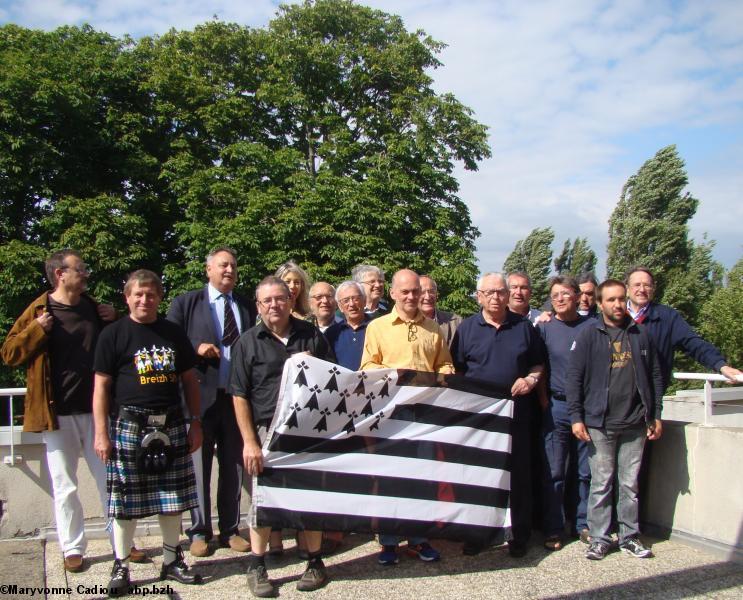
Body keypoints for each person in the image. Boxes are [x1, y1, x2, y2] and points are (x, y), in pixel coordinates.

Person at [1, 249, 146, 572]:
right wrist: (38, 329)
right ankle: (72, 548)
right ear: (60, 274)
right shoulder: (40, 309)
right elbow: (9, 353)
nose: (86, 274)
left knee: (111, 480)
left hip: (97, 411)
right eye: (80, 269)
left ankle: (122, 543)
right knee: (64, 484)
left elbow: (120, 344)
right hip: (56, 415)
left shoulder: (93, 308)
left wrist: (116, 317)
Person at [93, 270, 203, 596]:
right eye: (138, 294)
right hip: (129, 424)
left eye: (151, 294)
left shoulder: (173, 333)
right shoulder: (113, 334)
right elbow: (100, 387)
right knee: (125, 502)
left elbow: (189, 380)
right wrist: (101, 432)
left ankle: (172, 559)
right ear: (127, 297)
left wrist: (194, 421)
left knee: (172, 499)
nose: (145, 300)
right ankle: (121, 565)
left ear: (159, 297)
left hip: (170, 422)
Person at [231, 276, 335, 597]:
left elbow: (332, 382)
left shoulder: (311, 336)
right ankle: (258, 565)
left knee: (310, 499)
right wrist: (249, 441)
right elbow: (239, 396)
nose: (274, 305)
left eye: (280, 299)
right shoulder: (247, 342)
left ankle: (315, 562)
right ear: (258, 306)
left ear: (291, 300)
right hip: (265, 432)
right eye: (267, 301)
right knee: (262, 501)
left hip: (306, 430)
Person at [166, 247, 256, 557]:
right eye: (222, 265)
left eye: (233, 265)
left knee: (233, 466)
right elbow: (168, 343)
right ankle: (199, 531)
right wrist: (195, 348)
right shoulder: (187, 303)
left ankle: (230, 530)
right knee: (198, 467)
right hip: (200, 401)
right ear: (208, 270)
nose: (229, 270)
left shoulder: (246, 305)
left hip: (235, 400)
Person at [566, 279, 664, 561]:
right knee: (601, 482)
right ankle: (598, 538)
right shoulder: (588, 335)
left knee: (629, 484)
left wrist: (655, 413)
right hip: (599, 423)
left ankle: (629, 536)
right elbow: (574, 379)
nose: (618, 304)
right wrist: (576, 417)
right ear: (600, 303)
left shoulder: (640, 334)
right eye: (611, 300)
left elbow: (655, 376)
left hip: (635, 422)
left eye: (621, 299)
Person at [361, 269, 453, 566]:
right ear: (393, 293)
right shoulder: (377, 327)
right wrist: (391, 374)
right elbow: (366, 367)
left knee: (422, 478)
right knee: (389, 478)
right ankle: (388, 541)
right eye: (406, 292)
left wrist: (442, 375)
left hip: (424, 414)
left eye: (416, 291)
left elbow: (446, 364)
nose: (413, 297)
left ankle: (418, 538)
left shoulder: (434, 329)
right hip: (390, 413)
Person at [451, 272, 545, 557]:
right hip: (480, 419)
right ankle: (478, 534)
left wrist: (530, 381)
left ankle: (520, 535)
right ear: (478, 296)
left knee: (519, 477)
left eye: (500, 292)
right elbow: (456, 371)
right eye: (489, 292)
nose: (495, 297)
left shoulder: (524, 328)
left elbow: (538, 366)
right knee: (479, 477)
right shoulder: (467, 329)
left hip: (517, 415)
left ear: (507, 295)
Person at [536, 276, 592, 551]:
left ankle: (583, 524)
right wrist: (544, 399)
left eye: (565, 294)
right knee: (555, 470)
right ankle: (553, 528)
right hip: (556, 407)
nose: (559, 299)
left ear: (577, 296)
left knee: (585, 471)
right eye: (555, 295)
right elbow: (539, 367)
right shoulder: (545, 327)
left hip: (586, 408)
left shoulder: (592, 327)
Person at [625, 267, 741, 391]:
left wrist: (720, 365)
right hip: (614, 398)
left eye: (647, 285)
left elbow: (693, 343)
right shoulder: (611, 318)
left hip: (650, 397)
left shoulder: (667, 317)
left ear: (653, 289)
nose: (642, 290)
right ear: (627, 289)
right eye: (637, 285)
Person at [325, 281, 370, 371]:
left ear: (364, 301)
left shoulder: (377, 327)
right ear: (340, 307)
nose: (352, 304)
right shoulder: (332, 333)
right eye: (346, 301)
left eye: (356, 299)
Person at [419, 275, 463, 349]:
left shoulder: (456, 323)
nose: (427, 297)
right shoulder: (404, 323)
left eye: (431, 291)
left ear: (436, 295)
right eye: (422, 292)